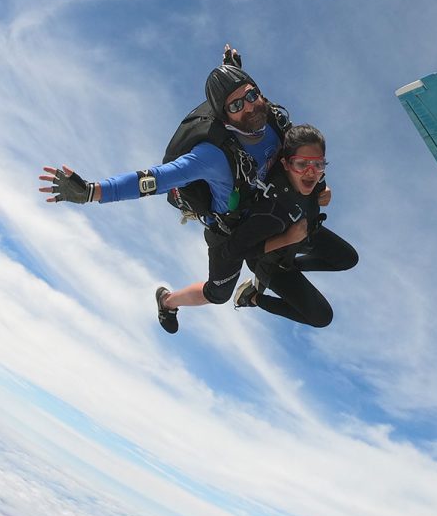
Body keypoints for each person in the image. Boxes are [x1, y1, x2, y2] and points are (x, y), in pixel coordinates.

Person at [39, 45, 291, 334]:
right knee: (218, 294)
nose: (248, 106)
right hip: (228, 230)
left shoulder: (269, 116)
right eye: (235, 106)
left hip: (258, 208)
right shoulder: (211, 156)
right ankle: (168, 300)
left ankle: (267, 269)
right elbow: (153, 180)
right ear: (224, 118)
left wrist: (232, 69)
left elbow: (251, 100)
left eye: (250, 95)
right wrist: (92, 191)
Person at [222, 124, 358, 328]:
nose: (311, 173)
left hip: (304, 237)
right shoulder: (270, 211)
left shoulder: (314, 179)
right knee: (322, 318)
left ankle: (293, 264)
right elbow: (230, 252)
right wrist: (285, 240)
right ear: (285, 164)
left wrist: (324, 188)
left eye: (319, 165)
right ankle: (252, 297)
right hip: (271, 261)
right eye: (302, 165)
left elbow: (316, 179)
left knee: (349, 259)